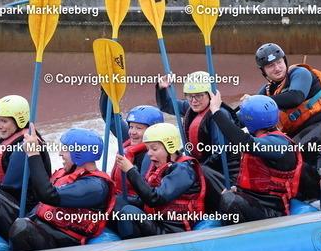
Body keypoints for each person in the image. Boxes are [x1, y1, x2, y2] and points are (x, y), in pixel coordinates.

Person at [8, 127, 115, 251]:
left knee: (22, 227)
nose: (60, 153)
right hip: (45, 226)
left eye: (65, 149)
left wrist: (33, 154)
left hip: (65, 240)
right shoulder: (68, 174)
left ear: (79, 154)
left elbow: (48, 195)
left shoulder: (95, 186)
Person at [253, 43, 321, 199]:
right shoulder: (267, 91)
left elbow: (295, 97)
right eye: (270, 66)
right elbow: (248, 113)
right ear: (263, 70)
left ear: (284, 61)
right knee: (272, 154)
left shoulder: (300, 73)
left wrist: (259, 101)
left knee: (289, 154)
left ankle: (318, 193)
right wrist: (220, 112)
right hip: (300, 131)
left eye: (279, 62)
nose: (277, 68)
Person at [209, 93, 302, 224]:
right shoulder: (265, 138)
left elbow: (245, 142)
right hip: (256, 201)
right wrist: (238, 188)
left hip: (272, 212)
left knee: (229, 199)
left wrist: (216, 111)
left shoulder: (278, 143)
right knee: (226, 192)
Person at [156, 71, 239, 208]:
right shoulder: (191, 107)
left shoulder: (219, 115)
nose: (194, 100)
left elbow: (220, 153)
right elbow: (166, 105)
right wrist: (161, 89)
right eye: (189, 96)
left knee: (188, 170)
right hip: (204, 167)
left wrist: (194, 169)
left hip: (223, 174)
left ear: (210, 94)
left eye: (199, 95)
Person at [0, 95, 51, 239]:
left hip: (29, 212)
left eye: (4, 121)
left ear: (19, 120)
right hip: (14, 202)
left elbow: (10, 190)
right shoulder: (10, 139)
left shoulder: (24, 147)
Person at [114, 122, 206, 238]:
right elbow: (143, 200)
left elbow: (154, 199)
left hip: (172, 230)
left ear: (170, 148)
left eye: (154, 149)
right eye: (148, 149)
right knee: (115, 201)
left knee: (129, 212)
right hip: (157, 220)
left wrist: (130, 171)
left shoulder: (183, 170)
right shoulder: (161, 167)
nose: (149, 154)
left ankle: (130, 247)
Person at [98, 94, 164, 195]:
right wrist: (106, 91)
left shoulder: (153, 156)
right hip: (120, 195)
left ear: (153, 130)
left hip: (135, 201)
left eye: (139, 128)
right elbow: (110, 116)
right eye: (131, 127)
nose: (132, 132)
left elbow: (145, 191)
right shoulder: (131, 140)